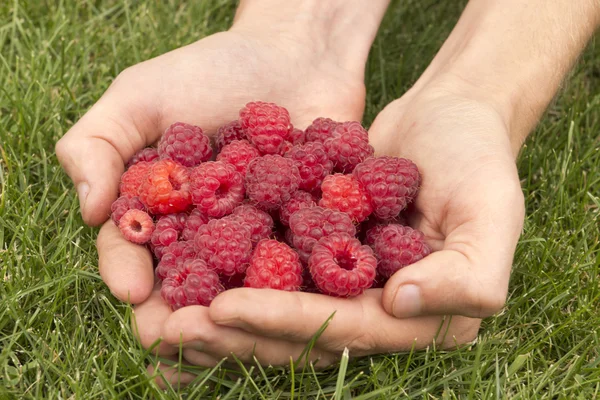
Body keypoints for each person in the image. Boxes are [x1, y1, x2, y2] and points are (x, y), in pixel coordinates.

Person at [55, 0, 600, 385]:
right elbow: (253, 206)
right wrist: (295, 34)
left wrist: (478, 93)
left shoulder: (322, 200)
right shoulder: (245, 196)